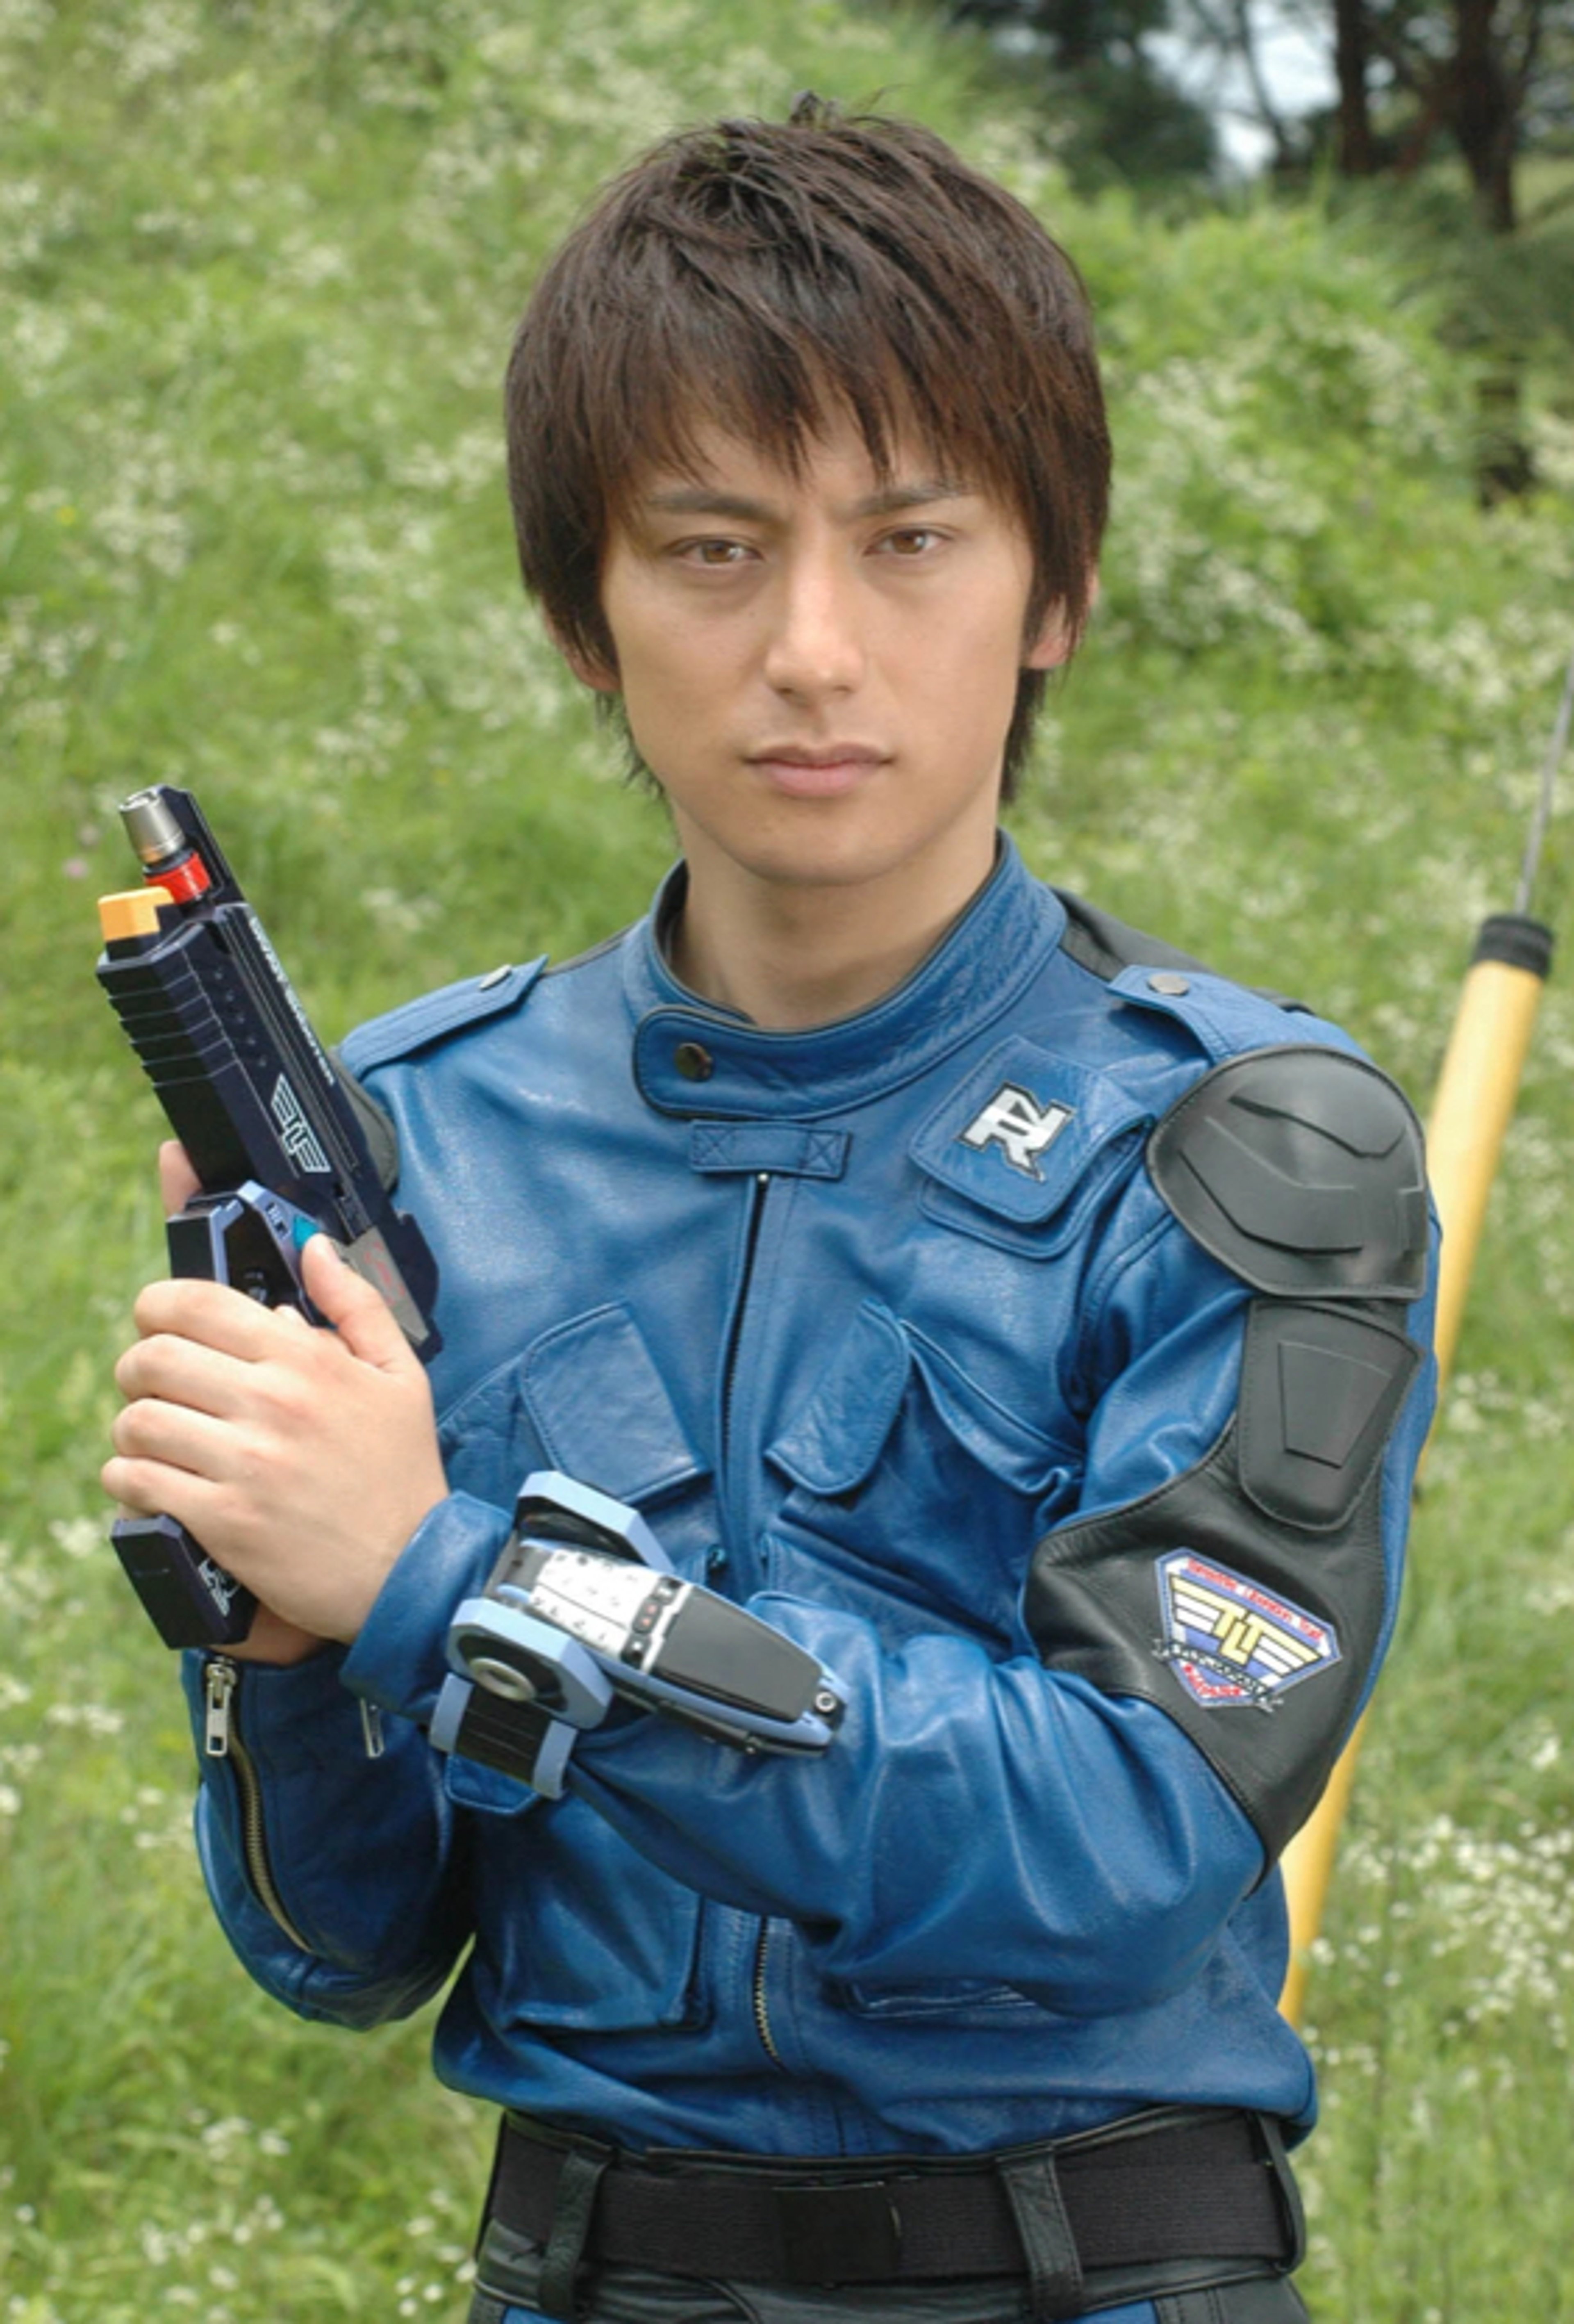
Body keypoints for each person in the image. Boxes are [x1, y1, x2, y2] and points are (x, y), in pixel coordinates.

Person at [105, 96, 1437, 2324]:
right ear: (582, 617)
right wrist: (288, 1638)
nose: (813, 648)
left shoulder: (1249, 1148)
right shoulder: (416, 1133)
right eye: (712, 549)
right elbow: (349, 1945)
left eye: (911, 540)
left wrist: (442, 1572)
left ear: (1059, 591)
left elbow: (1131, 1843)